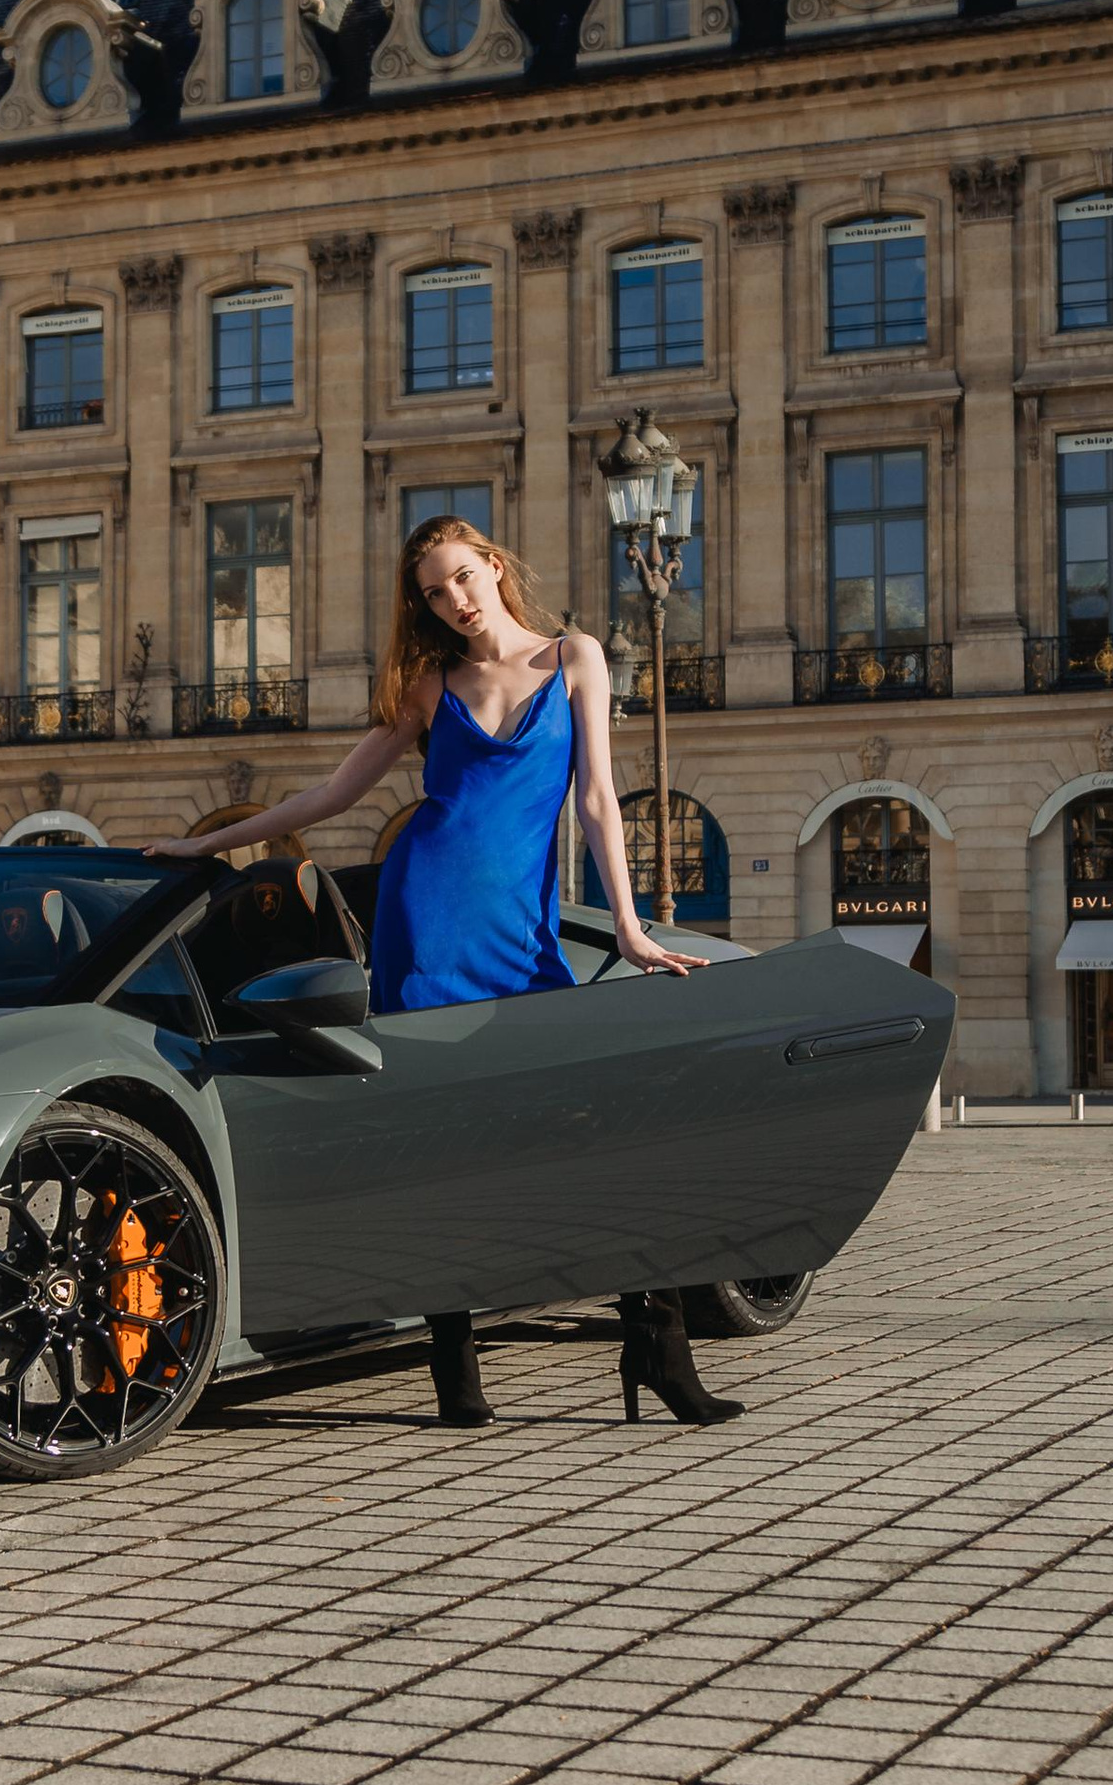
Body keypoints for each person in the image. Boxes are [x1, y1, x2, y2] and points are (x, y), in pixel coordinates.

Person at [149, 513, 739, 1434]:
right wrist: (214, 842)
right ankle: (454, 1368)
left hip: (518, 931)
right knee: (443, 1143)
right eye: (433, 591)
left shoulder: (574, 656)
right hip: (424, 922)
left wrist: (627, 928)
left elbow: (595, 800)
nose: (454, 601)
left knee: (602, 1139)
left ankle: (657, 1347)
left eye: (462, 577)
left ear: (494, 566)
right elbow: (331, 796)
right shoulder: (430, 687)